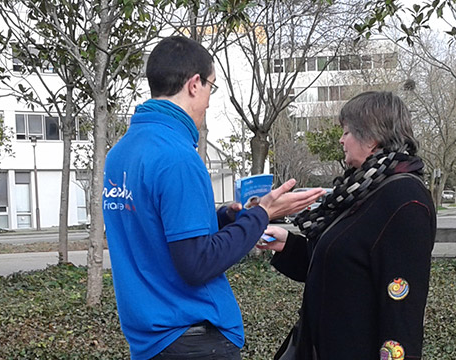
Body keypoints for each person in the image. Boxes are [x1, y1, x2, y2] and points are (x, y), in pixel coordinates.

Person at [102, 36, 325, 360]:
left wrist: (223, 218)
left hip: (149, 343)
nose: (208, 100)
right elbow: (197, 263)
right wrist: (261, 214)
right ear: (194, 84)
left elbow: (155, 229)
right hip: (192, 340)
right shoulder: (177, 157)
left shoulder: (120, 153)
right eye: (211, 87)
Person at [259, 91, 436, 359]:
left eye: (347, 132)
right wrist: (287, 244)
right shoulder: (361, 189)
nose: (341, 140)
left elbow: (402, 310)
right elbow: (340, 266)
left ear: (372, 138)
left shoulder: (404, 201)